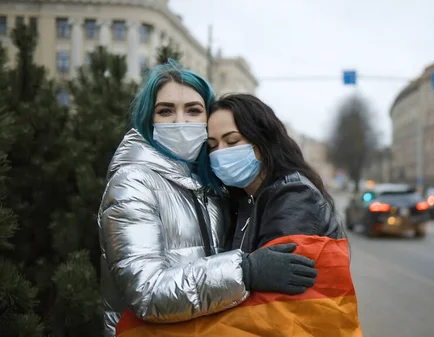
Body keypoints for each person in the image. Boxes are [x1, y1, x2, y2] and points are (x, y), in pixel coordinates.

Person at [98, 62, 317, 337]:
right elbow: (147, 292)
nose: (180, 120)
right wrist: (244, 271)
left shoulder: (209, 184)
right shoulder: (133, 182)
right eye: (165, 111)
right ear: (148, 119)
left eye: (193, 110)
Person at [205, 93, 344, 254]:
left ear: (263, 141)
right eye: (212, 146)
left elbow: (273, 275)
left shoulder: (295, 196)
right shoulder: (243, 199)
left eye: (232, 141)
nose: (220, 153)